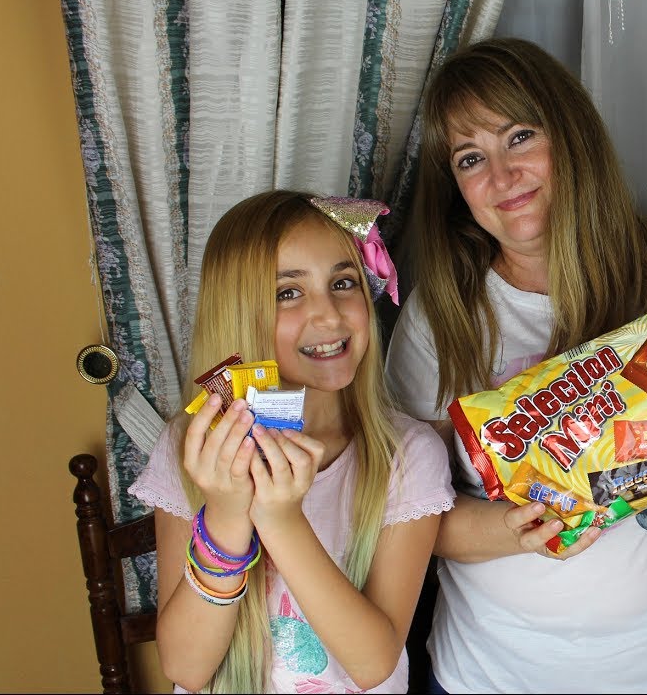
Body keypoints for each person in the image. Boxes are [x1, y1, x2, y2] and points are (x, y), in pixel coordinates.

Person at [385, 38, 647, 693]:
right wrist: (513, 530)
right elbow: (406, 522)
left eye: (520, 136)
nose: (502, 176)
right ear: (455, 189)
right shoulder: (439, 316)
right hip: (487, 674)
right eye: (471, 157)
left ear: (572, 136)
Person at [129, 191, 455, 693]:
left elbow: (373, 663)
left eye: (343, 282)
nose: (329, 315)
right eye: (288, 292)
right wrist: (225, 514)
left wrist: (280, 519)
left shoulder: (406, 455)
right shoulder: (189, 447)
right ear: (237, 310)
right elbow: (184, 667)